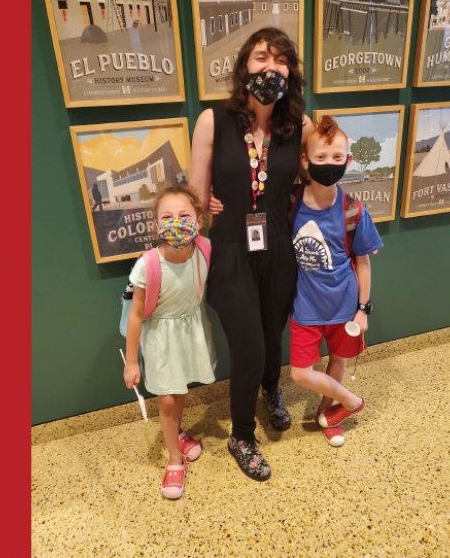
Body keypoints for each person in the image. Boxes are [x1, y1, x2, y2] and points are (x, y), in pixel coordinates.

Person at [189, 28, 313, 481]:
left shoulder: (296, 124)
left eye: (281, 60)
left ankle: (270, 390)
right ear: (245, 66)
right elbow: (194, 198)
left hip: (279, 249)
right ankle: (242, 434)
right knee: (248, 346)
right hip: (231, 251)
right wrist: (206, 205)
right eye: (262, 56)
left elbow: (319, 174)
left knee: (271, 333)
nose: (271, 66)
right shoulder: (213, 121)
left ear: (290, 72)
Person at [288, 115, 382, 447]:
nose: (329, 164)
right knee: (300, 372)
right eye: (321, 157)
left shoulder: (354, 211)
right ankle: (352, 402)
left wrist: (362, 310)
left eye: (337, 157)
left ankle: (329, 414)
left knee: (337, 362)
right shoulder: (292, 204)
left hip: (346, 308)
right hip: (306, 308)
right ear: (306, 160)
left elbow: (363, 263)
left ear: (348, 160)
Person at [123, 186, 216, 500]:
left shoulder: (204, 249)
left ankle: (176, 432)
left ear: (198, 221)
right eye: (167, 217)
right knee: (166, 400)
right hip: (162, 339)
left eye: (184, 216)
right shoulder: (148, 265)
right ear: (156, 225)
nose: (176, 223)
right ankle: (175, 460)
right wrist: (132, 361)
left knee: (180, 391)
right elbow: (136, 315)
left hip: (190, 333)